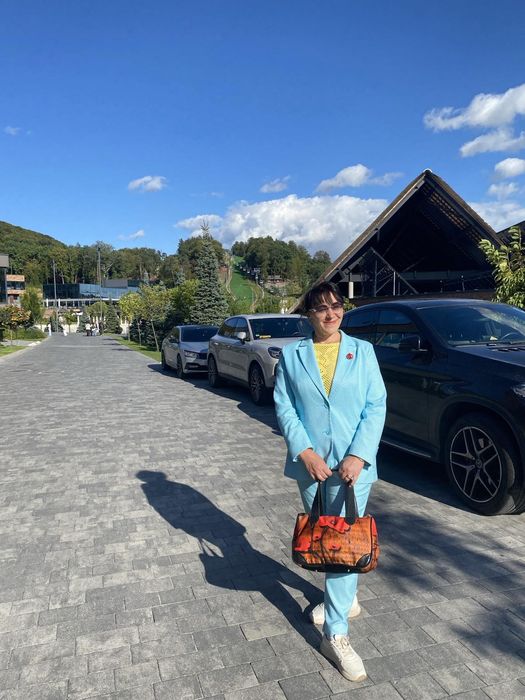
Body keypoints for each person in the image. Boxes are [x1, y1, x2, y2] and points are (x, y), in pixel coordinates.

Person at [274, 281, 386, 682]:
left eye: (336, 305)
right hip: (312, 468)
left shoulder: (363, 352)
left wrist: (358, 455)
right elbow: (285, 406)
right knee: (327, 539)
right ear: (309, 314)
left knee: (343, 543)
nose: (331, 313)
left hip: (354, 468)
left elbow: (376, 406)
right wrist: (304, 451)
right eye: (321, 308)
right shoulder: (292, 356)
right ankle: (344, 598)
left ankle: (335, 633)